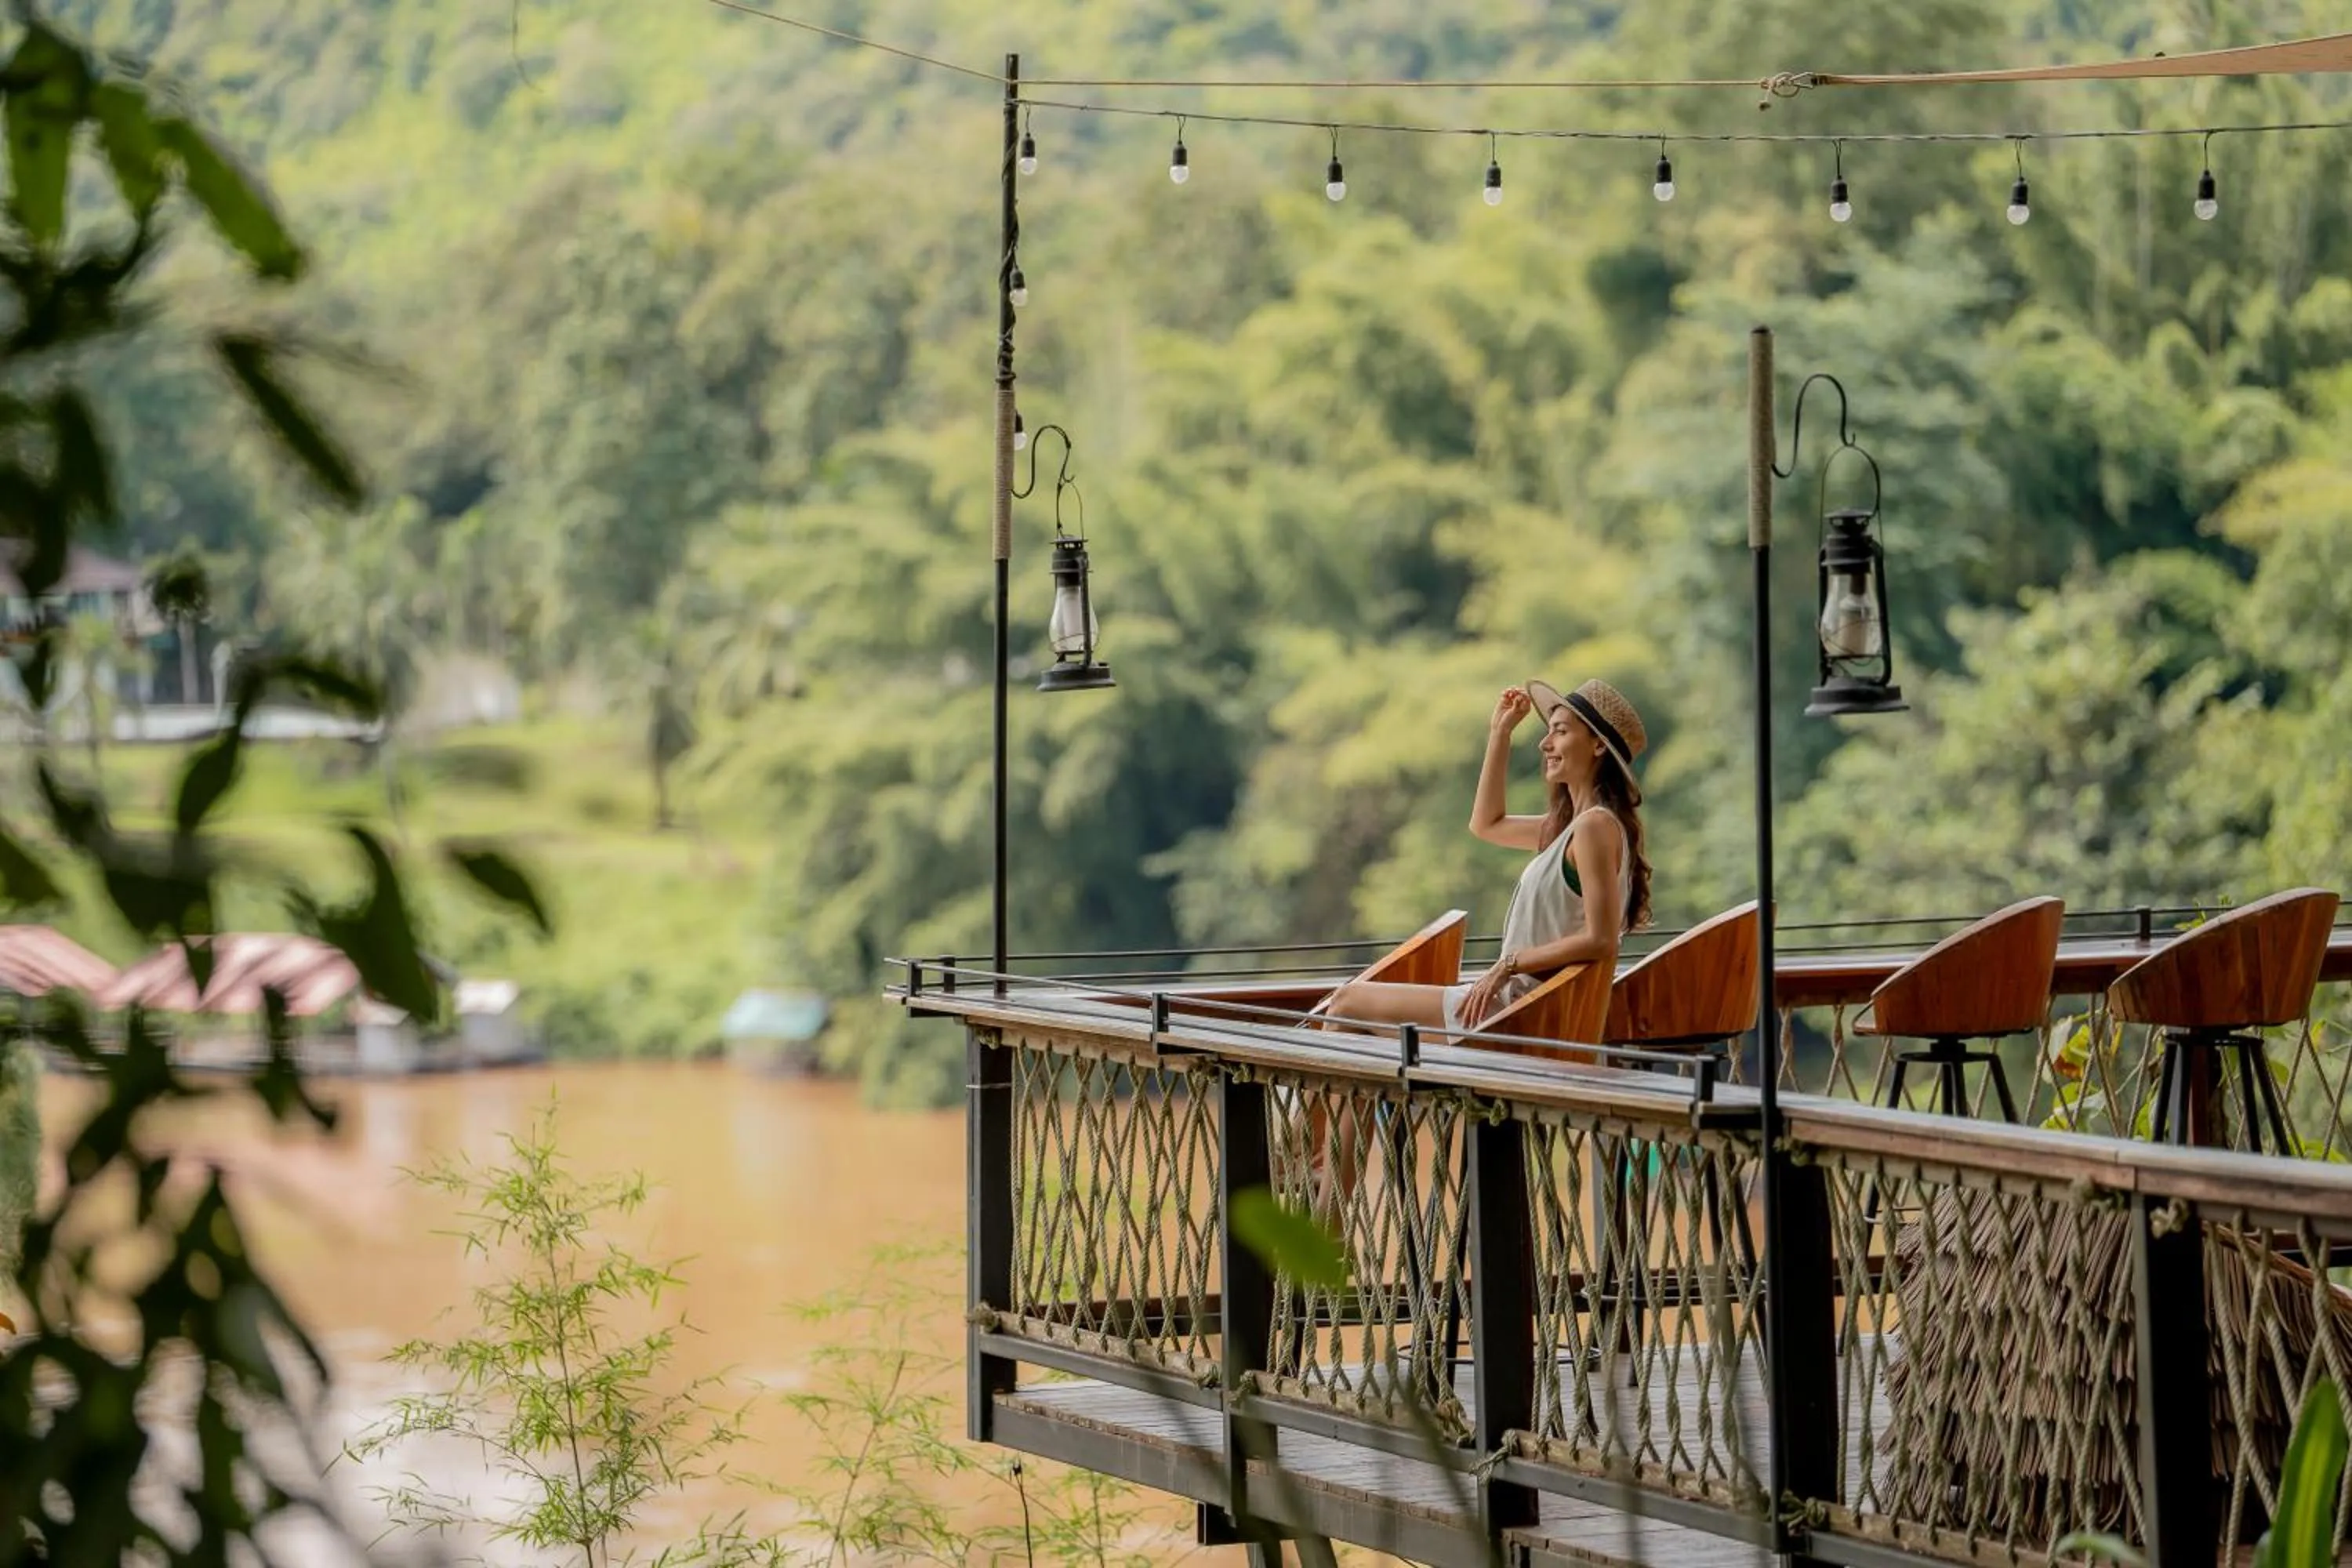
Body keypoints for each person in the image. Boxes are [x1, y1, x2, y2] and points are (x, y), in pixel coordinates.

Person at [1323, 676, 1653, 1039]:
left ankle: (1319, 1097)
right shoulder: (1569, 830)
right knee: (1351, 1017)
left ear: (1598, 746)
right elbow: (1486, 824)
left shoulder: (1593, 829)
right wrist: (1500, 734)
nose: (1546, 743)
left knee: (1346, 1003)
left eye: (1559, 732)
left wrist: (1508, 965)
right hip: (1515, 1006)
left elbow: (1602, 940)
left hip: (1523, 1012)